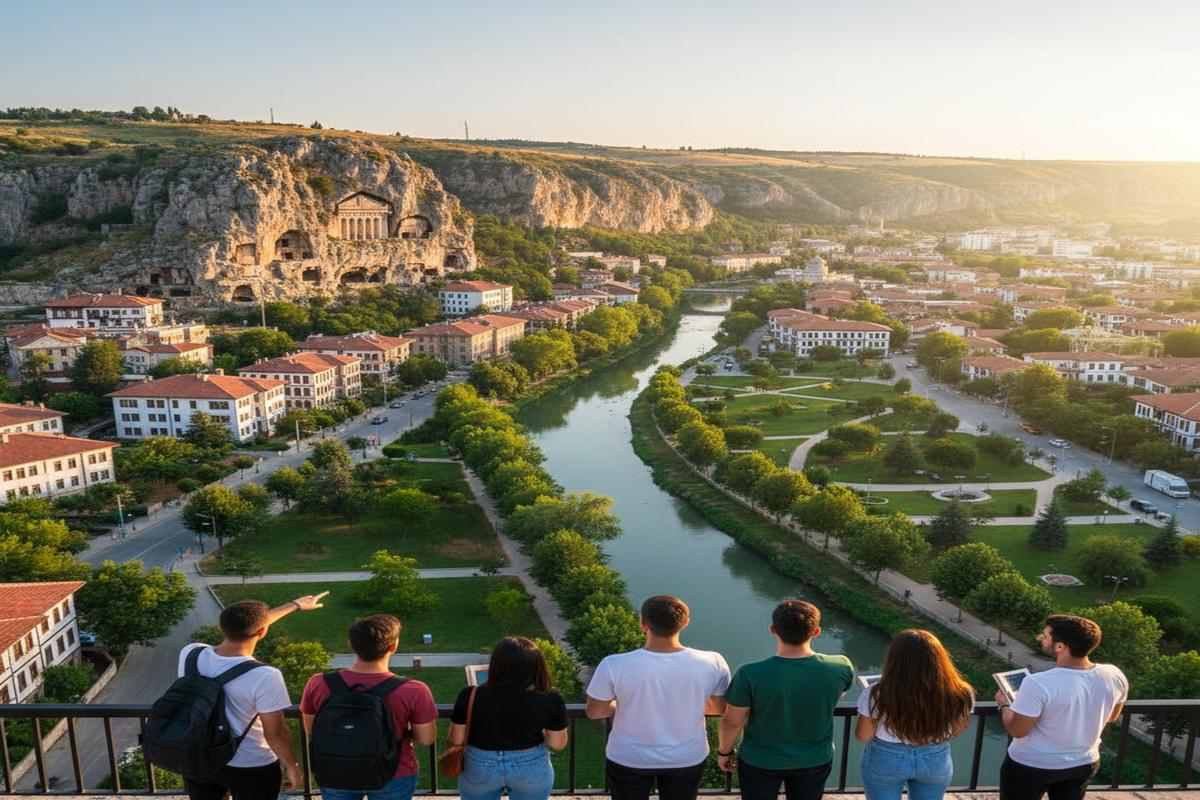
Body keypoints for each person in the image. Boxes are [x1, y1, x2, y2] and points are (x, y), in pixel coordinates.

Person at [178, 592, 328, 800]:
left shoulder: (191, 653)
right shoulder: (264, 675)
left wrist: (294, 605)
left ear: (221, 627)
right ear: (262, 631)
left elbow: (247, 625)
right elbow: (276, 733)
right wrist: (292, 766)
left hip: (200, 755)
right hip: (249, 764)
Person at [586, 595, 731, 800]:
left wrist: (624, 704)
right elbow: (718, 709)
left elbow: (594, 712)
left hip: (629, 757)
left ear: (643, 624)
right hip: (686, 757)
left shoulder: (614, 664)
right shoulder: (713, 662)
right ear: (685, 623)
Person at [717, 600, 855, 800]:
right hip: (814, 758)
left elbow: (733, 721)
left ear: (773, 630)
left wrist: (724, 752)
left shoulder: (750, 673)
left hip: (760, 760)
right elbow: (838, 694)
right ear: (816, 631)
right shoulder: (840, 667)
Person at [300, 614, 438, 800]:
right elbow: (426, 738)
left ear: (351, 643)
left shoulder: (318, 683)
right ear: (393, 647)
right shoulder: (414, 690)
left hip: (335, 770)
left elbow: (311, 729)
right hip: (393, 771)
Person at [997, 614, 1128, 800]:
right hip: (1083, 763)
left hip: (1031, 765)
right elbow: (1112, 716)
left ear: (1060, 646)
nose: (1039, 638)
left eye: (1045, 635)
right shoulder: (1114, 674)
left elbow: (1017, 730)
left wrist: (1004, 705)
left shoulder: (1037, 683)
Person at [855, 629, 975, 800]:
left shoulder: (876, 693)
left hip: (886, 758)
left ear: (895, 659)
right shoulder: (961, 691)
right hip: (935, 758)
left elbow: (863, 735)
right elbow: (958, 728)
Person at [447, 637, 568, 800]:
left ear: (496, 664)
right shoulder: (550, 699)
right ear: (537, 666)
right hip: (530, 764)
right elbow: (558, 743)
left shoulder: (470, 695)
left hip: (479, 764)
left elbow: (456, 738)